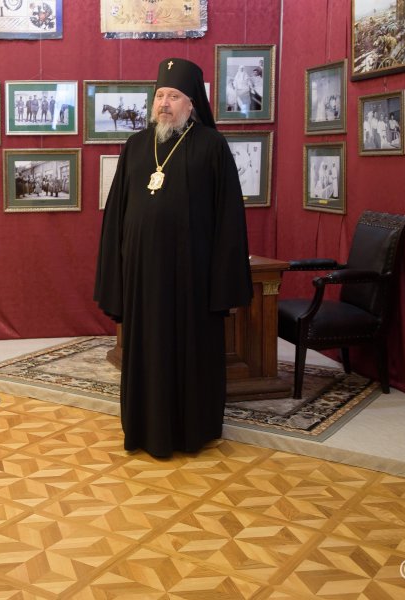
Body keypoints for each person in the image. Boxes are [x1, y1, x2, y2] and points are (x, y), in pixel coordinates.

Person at [94, 58, 252, 459]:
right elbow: (116, 216)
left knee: (189, 353)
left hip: (192, 279)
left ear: (192, 103)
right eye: (160, 95)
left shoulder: (212, 147)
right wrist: (116, 274)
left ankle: (192, 430)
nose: (164, 103)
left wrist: (222, 283)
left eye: (174, 96)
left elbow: (228, 219)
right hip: (143, 277)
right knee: (146, 352)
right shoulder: (135, 146)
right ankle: (143, 426)